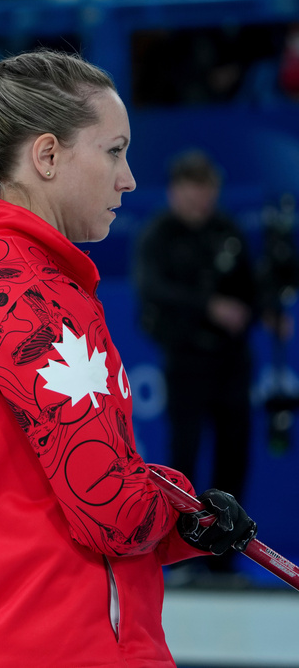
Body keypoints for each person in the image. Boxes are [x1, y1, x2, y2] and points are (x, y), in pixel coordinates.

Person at [0, 48, 258, 667]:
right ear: (47, 156)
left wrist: (189, 523)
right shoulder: (34, 298)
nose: (128, 178)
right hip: (72, 642)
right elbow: (113, 515)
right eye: (115, 151)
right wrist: (183, 506)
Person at [134, 149, 259, 578]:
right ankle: (180, 551)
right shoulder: (158, 235)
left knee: (233, 454)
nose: (199, 198)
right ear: (175, 191)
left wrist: (265, 312)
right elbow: (151, 289)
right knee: (183, 458)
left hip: (230, 362)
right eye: (191, 188)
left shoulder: (228, 231)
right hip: (185, 362)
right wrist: (208, 306)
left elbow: (252, 286)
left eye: (206, 188)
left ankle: (225, 561)